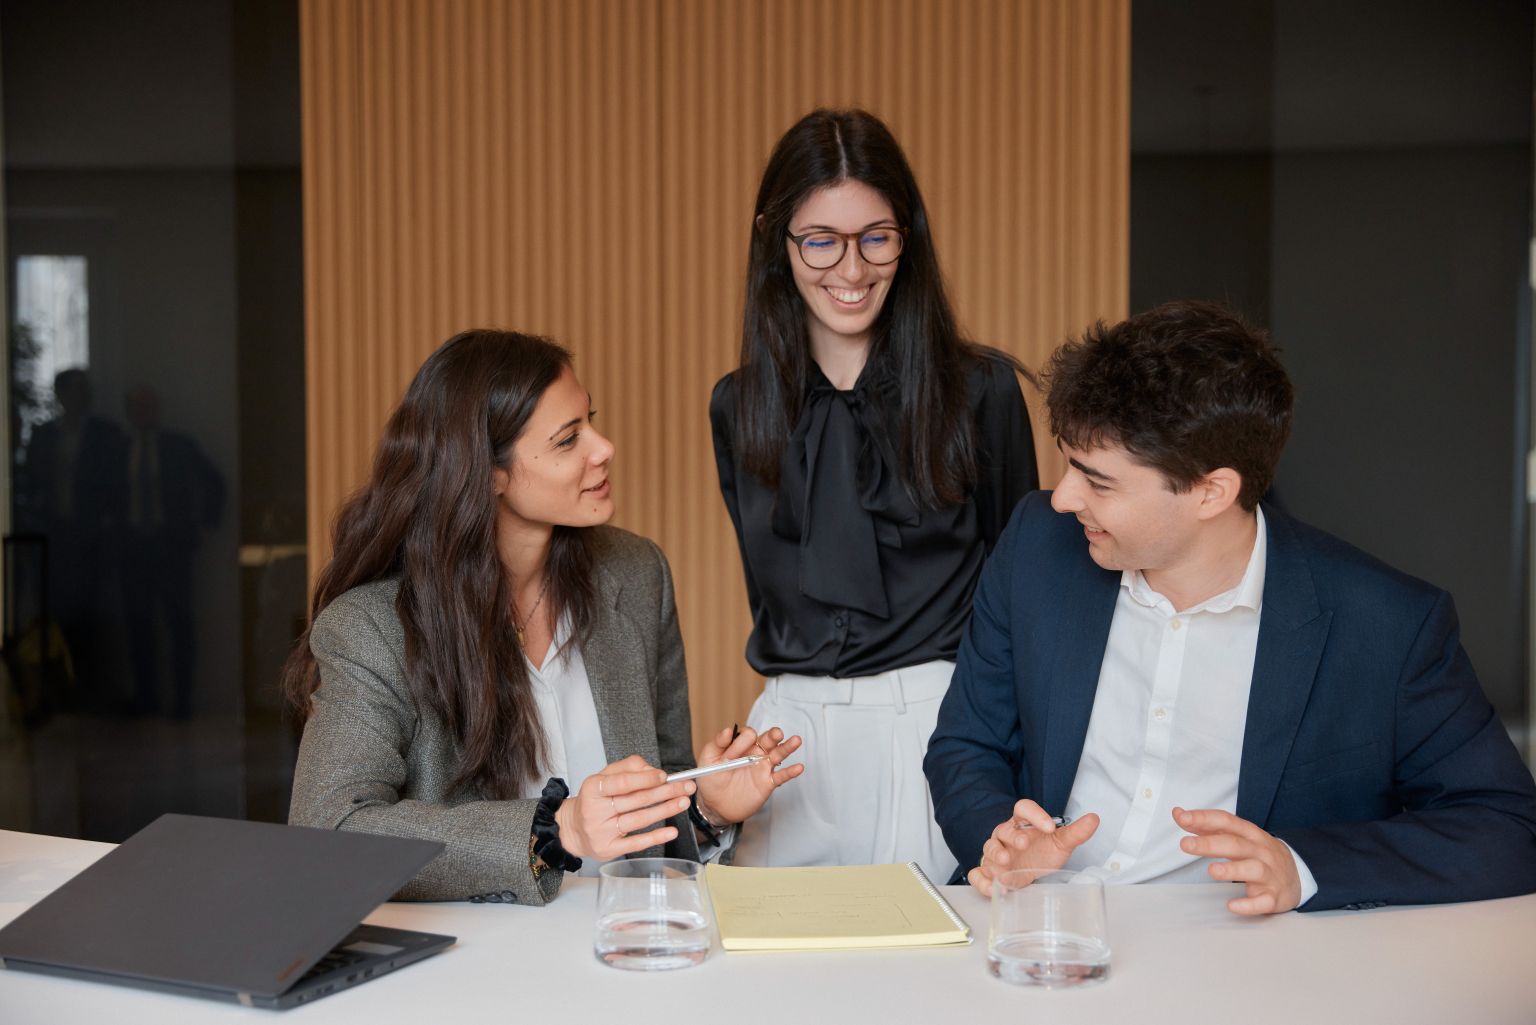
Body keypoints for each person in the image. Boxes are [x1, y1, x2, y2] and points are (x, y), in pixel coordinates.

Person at [924, 300, 1536, 913]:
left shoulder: (1389, 623)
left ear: (1212, 492)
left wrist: (1302, 868)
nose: (1064, 498)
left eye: (1100, 481)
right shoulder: (1038, 545)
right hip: (1039, 922)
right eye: (1069, 464)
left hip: (1240, 953)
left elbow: (1507, 828)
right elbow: (966, 744)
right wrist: (999, 838)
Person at [285, 330, 803, 904]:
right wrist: (559, 830)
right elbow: (326, 833)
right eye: (567, 440)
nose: (603, 447)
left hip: (622, 940)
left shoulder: (634, 575)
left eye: (592, 421)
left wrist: (706, 807)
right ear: (487, 473)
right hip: (466, 967)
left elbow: (655, 820)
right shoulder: (370, 628)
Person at [710, 108, 1038, 879]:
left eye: (876, 238)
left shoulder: (978, 389)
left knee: (931, 990)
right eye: (819, 240)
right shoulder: (738, 404)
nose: (850, 271)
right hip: (787, 734)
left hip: (936, 725)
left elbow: (1019, 591)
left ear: (908, 236)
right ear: (775, 241)